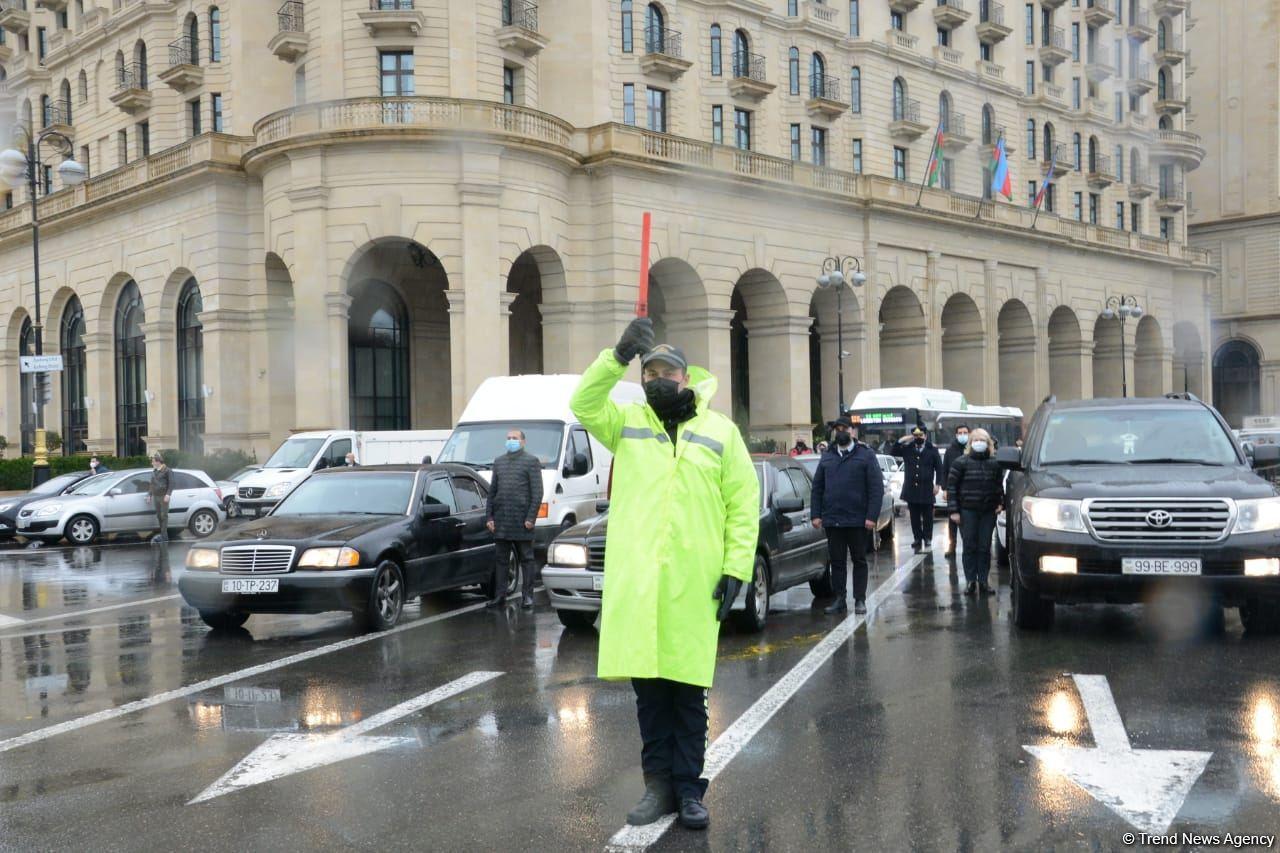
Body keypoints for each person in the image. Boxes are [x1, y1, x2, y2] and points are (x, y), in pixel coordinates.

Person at [571, 319, 758, 832]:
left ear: (686, 377)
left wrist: (736, 568)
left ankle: (689, 790)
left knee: (688, 695)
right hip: (641, 586)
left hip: (693, 587)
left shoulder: (719, 431)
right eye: (649, 371)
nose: (658, 380)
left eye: (666, 372)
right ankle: (658, 786)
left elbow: (742, 504)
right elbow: (583, 404)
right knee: (650, 696)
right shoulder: (628, 423)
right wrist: (615, 357)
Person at [811, 416, 884, 616]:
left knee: (859, 560)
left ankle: (860, 599)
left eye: (845, 428)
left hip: (858, 520)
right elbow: (817, 487)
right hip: (833, 519)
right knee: (837, 562)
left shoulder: (866, 455)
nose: (841, 432)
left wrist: (872, 516)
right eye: (838, 429)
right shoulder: (827, 456)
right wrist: (815, 514)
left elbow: (876, 488)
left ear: (852, 431)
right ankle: (840, 598)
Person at [485, 428, 544, 610]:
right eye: (509, 438)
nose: (511, 440)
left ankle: (527, 597)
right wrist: (490, 516)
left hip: (522, 521)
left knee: (526, 559)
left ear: (523, 442)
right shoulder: (499, 462)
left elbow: (537, 492)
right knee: (501, 560)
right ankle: (500, 596)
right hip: (501, 521)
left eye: (515, 438)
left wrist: (531, 518)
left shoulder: (531, 462)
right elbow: (492, 492)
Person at [946, 428, 1005, 596]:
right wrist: (954, 511)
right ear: (971, 443)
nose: (979, 443)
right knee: (970, 546)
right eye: (976, 440)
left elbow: (999, 486)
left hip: (988, 511)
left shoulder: (995, 464)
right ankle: (971, 580)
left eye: (983, 440)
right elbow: (952, 488)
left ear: (989, 444)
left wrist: (1001, 502)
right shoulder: (960, 462)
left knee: (984, 547)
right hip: (967, 511)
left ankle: (983, 581)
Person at [892, 426, 945, 553]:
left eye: (921, 435)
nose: (918, 438)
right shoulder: (908, 448)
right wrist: (904, 439)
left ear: (925, 436)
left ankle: (927, 537)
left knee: (928, 516)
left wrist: (938, 484)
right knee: (914, 516)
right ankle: (917, 538)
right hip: (911, 488)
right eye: (916, 435)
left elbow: (939, 468)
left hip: (927, 488)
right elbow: (893, 451)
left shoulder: (932, 450)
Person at [940, 425, 970, 560]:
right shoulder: (950, 450)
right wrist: (944, 488)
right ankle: (952, 546)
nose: (962, 435)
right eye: (960, 433)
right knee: (952, 521)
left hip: (969, 491)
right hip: (954, 491)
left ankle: (968, 547)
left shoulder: (972, 449)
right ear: (956, 435)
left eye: (965, 432)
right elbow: (945, 470)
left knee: (968, 521)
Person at [146, 453, 172, 542]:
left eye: (153, 462)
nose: (152, 463)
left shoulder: (167, 470)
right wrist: (149, 495)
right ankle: (163, 534)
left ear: (158, 462)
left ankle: (164, 536)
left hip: (163, 496)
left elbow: (171, 484)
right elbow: (152, 484)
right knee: (159, 516)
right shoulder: (154, 471)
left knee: (164, 516)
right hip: (156, 496)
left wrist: (168, 494)